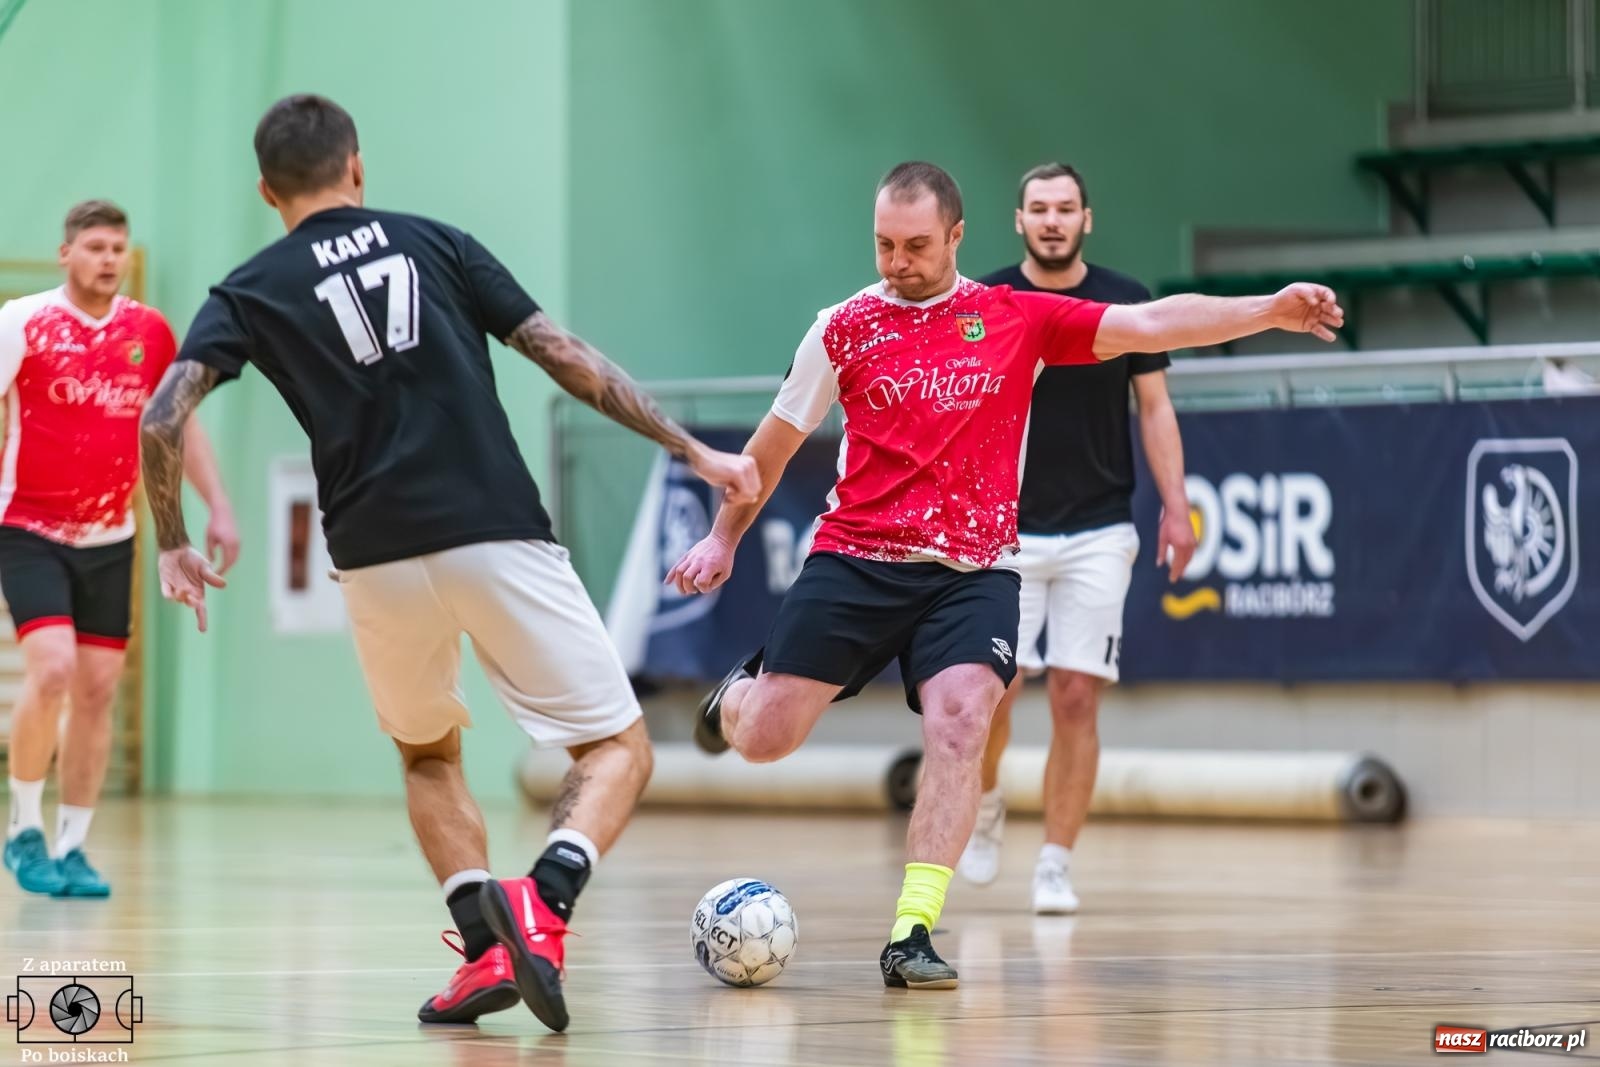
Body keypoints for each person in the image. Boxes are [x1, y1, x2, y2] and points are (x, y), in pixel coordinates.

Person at [138, 94, 758, 1033]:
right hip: (493, 526)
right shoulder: (436, 243)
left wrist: (174, 540)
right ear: (357, 165)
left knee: (428, 752)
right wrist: (692, 450)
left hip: (372, 553)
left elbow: (159, 418)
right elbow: (560, 354)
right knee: (618, 746)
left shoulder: (248, 288)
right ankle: (545, 902)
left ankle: (481, 954)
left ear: (267, 191)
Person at [668, 161, 1340, 989]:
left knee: (960, 724)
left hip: (973, 569)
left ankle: (912, 930)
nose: (897, 261)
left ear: (956, 237)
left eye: (916, 245)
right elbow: (761, 460)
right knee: (767, 737)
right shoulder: (840, 328)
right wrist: (723, 540)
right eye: (883, 244)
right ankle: (738, 692)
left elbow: (1153, 321)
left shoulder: (1012, 317)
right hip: (855, 556)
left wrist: (1268, 310)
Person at [959, 162, 1197, 913]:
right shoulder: (989, 299)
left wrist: (1176, 504)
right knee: (995, 690)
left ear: (1086, 218)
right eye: (1039, 208)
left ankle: (1056, 860)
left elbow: (1154, 408)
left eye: (1066, 208)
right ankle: (986, 800)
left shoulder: (1126, 300)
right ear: (1019, 219)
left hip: (1099, 525)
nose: (1053, 219)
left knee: (1075, 697)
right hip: (1008, 530)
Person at [0, 200, 238, 900]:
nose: (108, 258)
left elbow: (178, 427)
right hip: (29, 529)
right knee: (51, 669)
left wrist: (217, 505)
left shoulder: (149, 332)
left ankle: (73, 843)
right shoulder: (23, 322)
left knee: (99, 690)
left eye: (118, 248)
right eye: (96, 246)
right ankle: (22, 829)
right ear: (65, 253)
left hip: (113, 534)